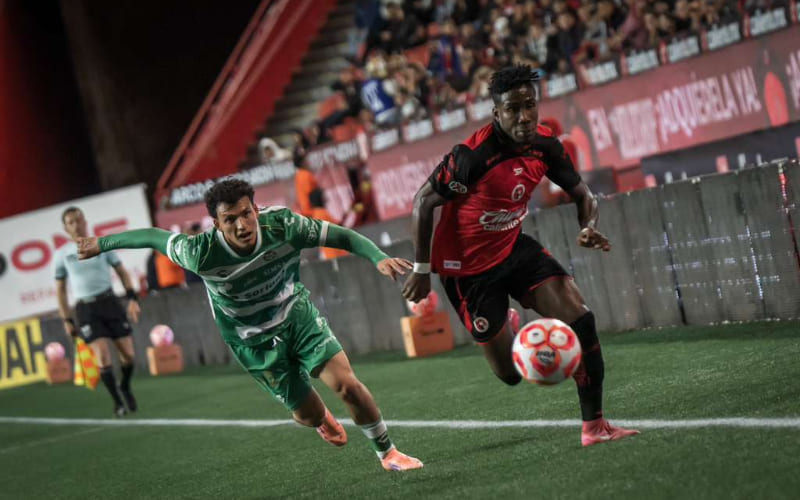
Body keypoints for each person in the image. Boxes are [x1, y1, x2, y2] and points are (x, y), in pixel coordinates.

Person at [76, 179, 423, 472]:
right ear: (216, 224)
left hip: (296, 317)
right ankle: (319, 419)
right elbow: (153, 237)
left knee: (347, 384)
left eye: (246, 214)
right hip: (252, 342)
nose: (242, 225)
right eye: (230, 220)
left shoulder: (283, 226)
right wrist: (102, 244)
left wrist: (378, 257)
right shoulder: (200, 253)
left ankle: (388, 453)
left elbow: (343, 237)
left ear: (256, 210)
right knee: (307, 413)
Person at [401, 65, 639, 447]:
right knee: (511, 374)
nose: (524, 116)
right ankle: (508, 324)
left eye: (530, 105)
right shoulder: (472, 157)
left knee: (581, 319)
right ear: (497, 113)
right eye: (513, 108)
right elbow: (423, 203)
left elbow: (584, 195)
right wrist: (422, 269)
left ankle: (594, 427)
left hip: (514, 248)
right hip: (469, 273)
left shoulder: (546, 145)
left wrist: (587, 226)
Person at [55, 207, 141, 417]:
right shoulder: (62, 254)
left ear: (85, 221)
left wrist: (132, 298)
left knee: (129, 356)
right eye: (71, 222)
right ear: (65, 228)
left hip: (109, 302)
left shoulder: (101, 244)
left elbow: (122, 271)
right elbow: (60, 291)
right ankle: (117, 402)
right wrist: (66, 319)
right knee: (103, 358)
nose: (76, 225)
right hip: (86, 309)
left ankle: (125, 386)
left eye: (78, 220)